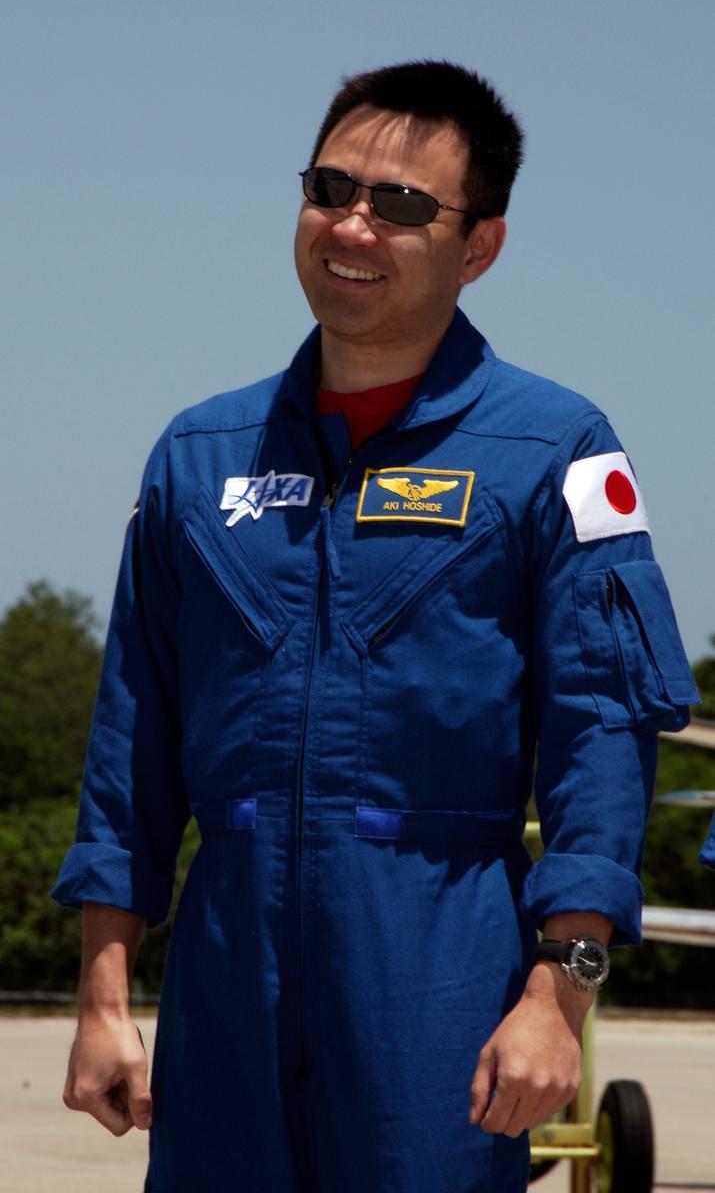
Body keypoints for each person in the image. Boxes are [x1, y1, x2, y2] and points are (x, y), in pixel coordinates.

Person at [52, 60, 699, 1193]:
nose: (352, 223)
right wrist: (104, 993)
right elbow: (132, 736)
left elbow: (602, 733)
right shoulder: (198, 456)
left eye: (400, 203)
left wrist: (558, 994)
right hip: (225, 956)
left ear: (479, 244)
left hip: (436, 958)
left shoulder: (556, 448)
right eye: (330, 187)